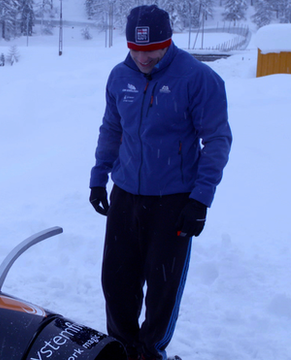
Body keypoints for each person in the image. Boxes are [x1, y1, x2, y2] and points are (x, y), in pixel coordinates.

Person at [88, 5, 232, 360]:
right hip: (125, 194)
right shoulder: (120, 77)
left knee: (162, 287)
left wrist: (200, 200)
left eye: (152, 49)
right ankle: (122, 349)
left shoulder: (198, 79)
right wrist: (98, 178)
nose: (143, 57)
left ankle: (150, 352)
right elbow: (112, 129)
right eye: (135, 49)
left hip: (174, 200)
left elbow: (217, 140)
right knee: (116, 280)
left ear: (169, 41)